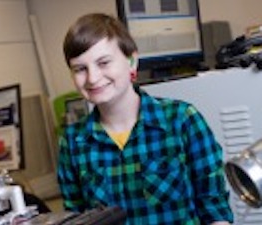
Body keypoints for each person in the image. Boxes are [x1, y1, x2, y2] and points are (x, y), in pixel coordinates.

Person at [57, 13, 234, 225]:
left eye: (103, 63)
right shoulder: (72, 143)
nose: (93, 78)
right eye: (80, 69)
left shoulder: (182, 120)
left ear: (132, 61)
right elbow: (75, 218)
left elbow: (215, 211)